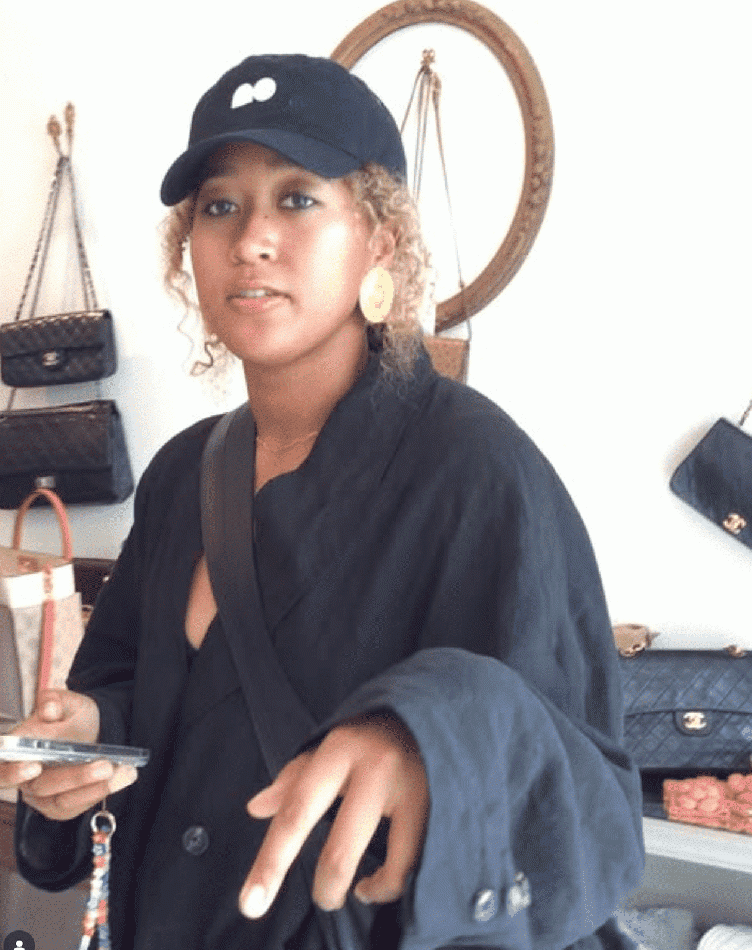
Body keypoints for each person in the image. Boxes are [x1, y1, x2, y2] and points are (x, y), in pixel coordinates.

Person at [1, 54, 644, 950]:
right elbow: (137, 689)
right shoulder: (185, 473)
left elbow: (593, 802)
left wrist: (426, 737)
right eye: (219, 206)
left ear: (380, 243)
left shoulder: (477, 469)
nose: (251, 239)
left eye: (298, 198)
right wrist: (91, 732)